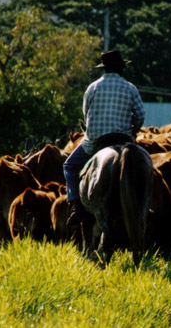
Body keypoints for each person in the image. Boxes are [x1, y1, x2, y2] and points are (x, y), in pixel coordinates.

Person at [63, 49, 146, 232]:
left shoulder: (92, 88)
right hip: (123, 141)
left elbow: (86, 114)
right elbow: (140, 115)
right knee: (146, 167)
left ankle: (76, 206)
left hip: (96, 141)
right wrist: (133, 132)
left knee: (69, 167)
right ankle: (145, 205)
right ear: (122, 68)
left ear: (104, 69)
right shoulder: (131, 88)